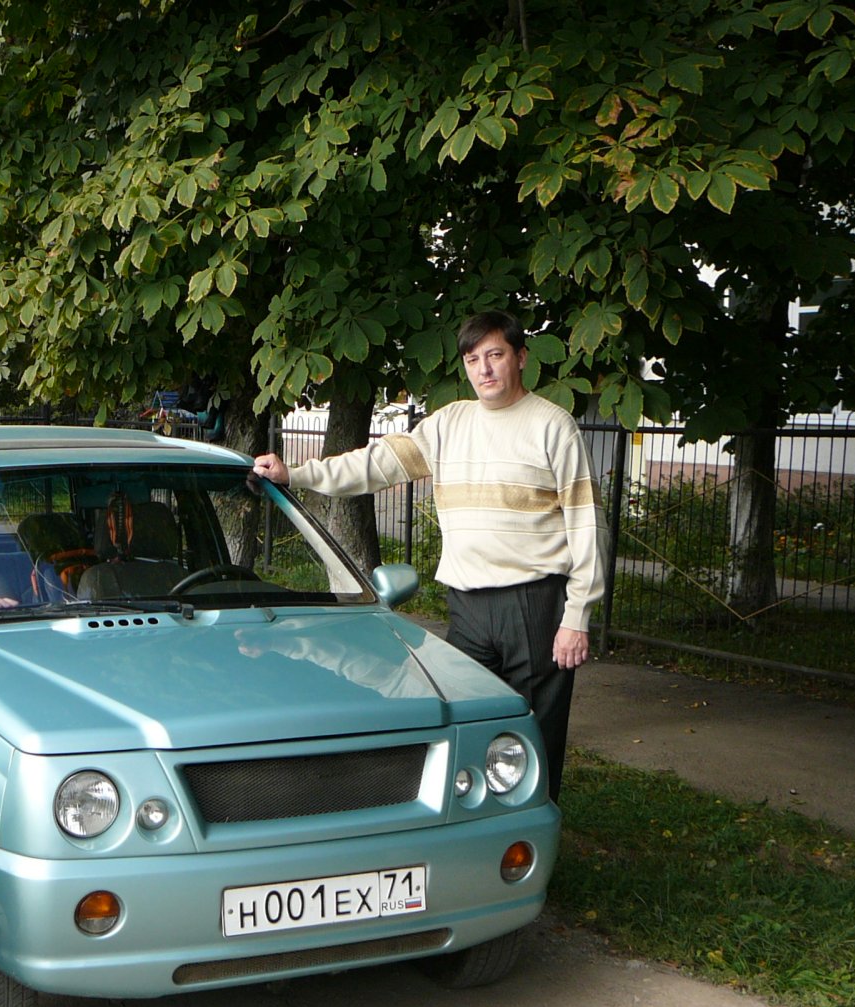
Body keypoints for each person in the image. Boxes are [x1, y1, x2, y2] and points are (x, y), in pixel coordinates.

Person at [252, 311, 607, 801]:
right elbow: (374, 465)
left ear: (521, 358)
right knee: (460, 725)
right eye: (473, 359)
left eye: (496, 355)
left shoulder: (553, 426)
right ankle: (467, 831)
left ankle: (528, 838)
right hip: (466, 607)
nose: (484, 369)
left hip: (535, 606)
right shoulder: (448, 425)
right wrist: (297, 474)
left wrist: (577, 615)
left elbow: (586, 524)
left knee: (533, 736)